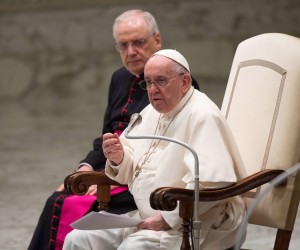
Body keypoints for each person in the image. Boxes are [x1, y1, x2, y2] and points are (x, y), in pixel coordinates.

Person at [28, 10, 200, 250]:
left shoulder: (176, 83)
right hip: (115, 164)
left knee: (65, 203)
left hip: (140, 177)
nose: (131, 52)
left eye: (139, 42)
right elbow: (107, 135)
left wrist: (104, 180)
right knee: (59, 197)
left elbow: (162, 153)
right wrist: (86, 167)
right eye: (123, 45)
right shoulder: (119, 78)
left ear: (157, 40)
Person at [62, 49, 247, 250]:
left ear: (185, 82)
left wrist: (168, 218)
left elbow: (213, 184)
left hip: (193, 224)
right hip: (144, 219)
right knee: (78, 239)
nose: (152, 89)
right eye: (148, 82)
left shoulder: (203, 116)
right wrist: (119, 158)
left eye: (160, 80)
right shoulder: (151, 111)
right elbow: (133, 164)